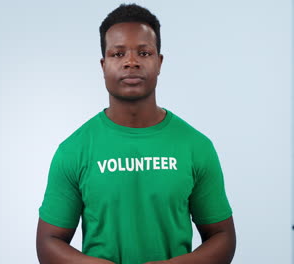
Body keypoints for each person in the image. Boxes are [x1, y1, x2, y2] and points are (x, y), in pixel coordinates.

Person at [36, 3, 236, 264]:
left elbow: (222, 236)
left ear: (159, 61)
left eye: (144, 52)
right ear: (103, 64)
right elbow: (48, 242)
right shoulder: (74, 150)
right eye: (118, 54)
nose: (131, 62)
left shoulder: (195, 146)